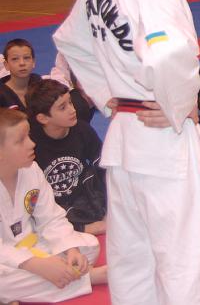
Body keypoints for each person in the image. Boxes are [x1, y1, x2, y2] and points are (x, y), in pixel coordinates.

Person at [52, 0, 200, 304]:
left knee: (132, 256)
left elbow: (70, 42)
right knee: (185, 254)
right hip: (162, 138)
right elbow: (169, 55)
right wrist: (178, 106)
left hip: (125, 136)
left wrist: (106, 95)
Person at [0, 108, 107, 304]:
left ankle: (37, 285)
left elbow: (50, 218)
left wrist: (70, 249)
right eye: (21, 140)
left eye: (29, 136)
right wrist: (35, 264)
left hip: (31, 244)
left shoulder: (31, 170)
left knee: (89, 245)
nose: (32, 143)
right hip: (5, 258)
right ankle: (89, 277)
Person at [26, 79, 107, 235]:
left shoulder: (82, 130)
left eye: (70, 102)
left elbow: (102, 166)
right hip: (50, 205)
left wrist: (110, 207)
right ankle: (80, 228)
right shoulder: (31, 141)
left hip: (83, 198)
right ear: (43, 118)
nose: (72, 110)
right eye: (62, 107)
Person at [0, 39, 43, 112]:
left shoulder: (40, 85)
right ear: (6, 65)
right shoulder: (2, 94)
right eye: (15, 59)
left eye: (26, 58)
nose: (22, 63)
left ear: (33, 62)